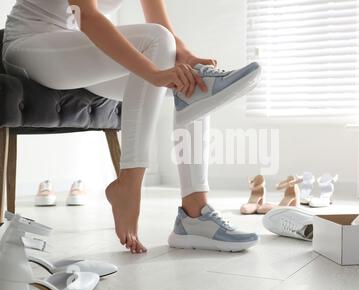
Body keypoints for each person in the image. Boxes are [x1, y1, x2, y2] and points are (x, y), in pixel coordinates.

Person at [2, 0, 259, 254]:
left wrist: (190, 61)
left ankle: (195, 215)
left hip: (77, 51)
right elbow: (88, 17)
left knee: (193, 84)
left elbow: (162, 25)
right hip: (31, 46)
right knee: (156, 40)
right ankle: (129, 183)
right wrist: (154, 74)